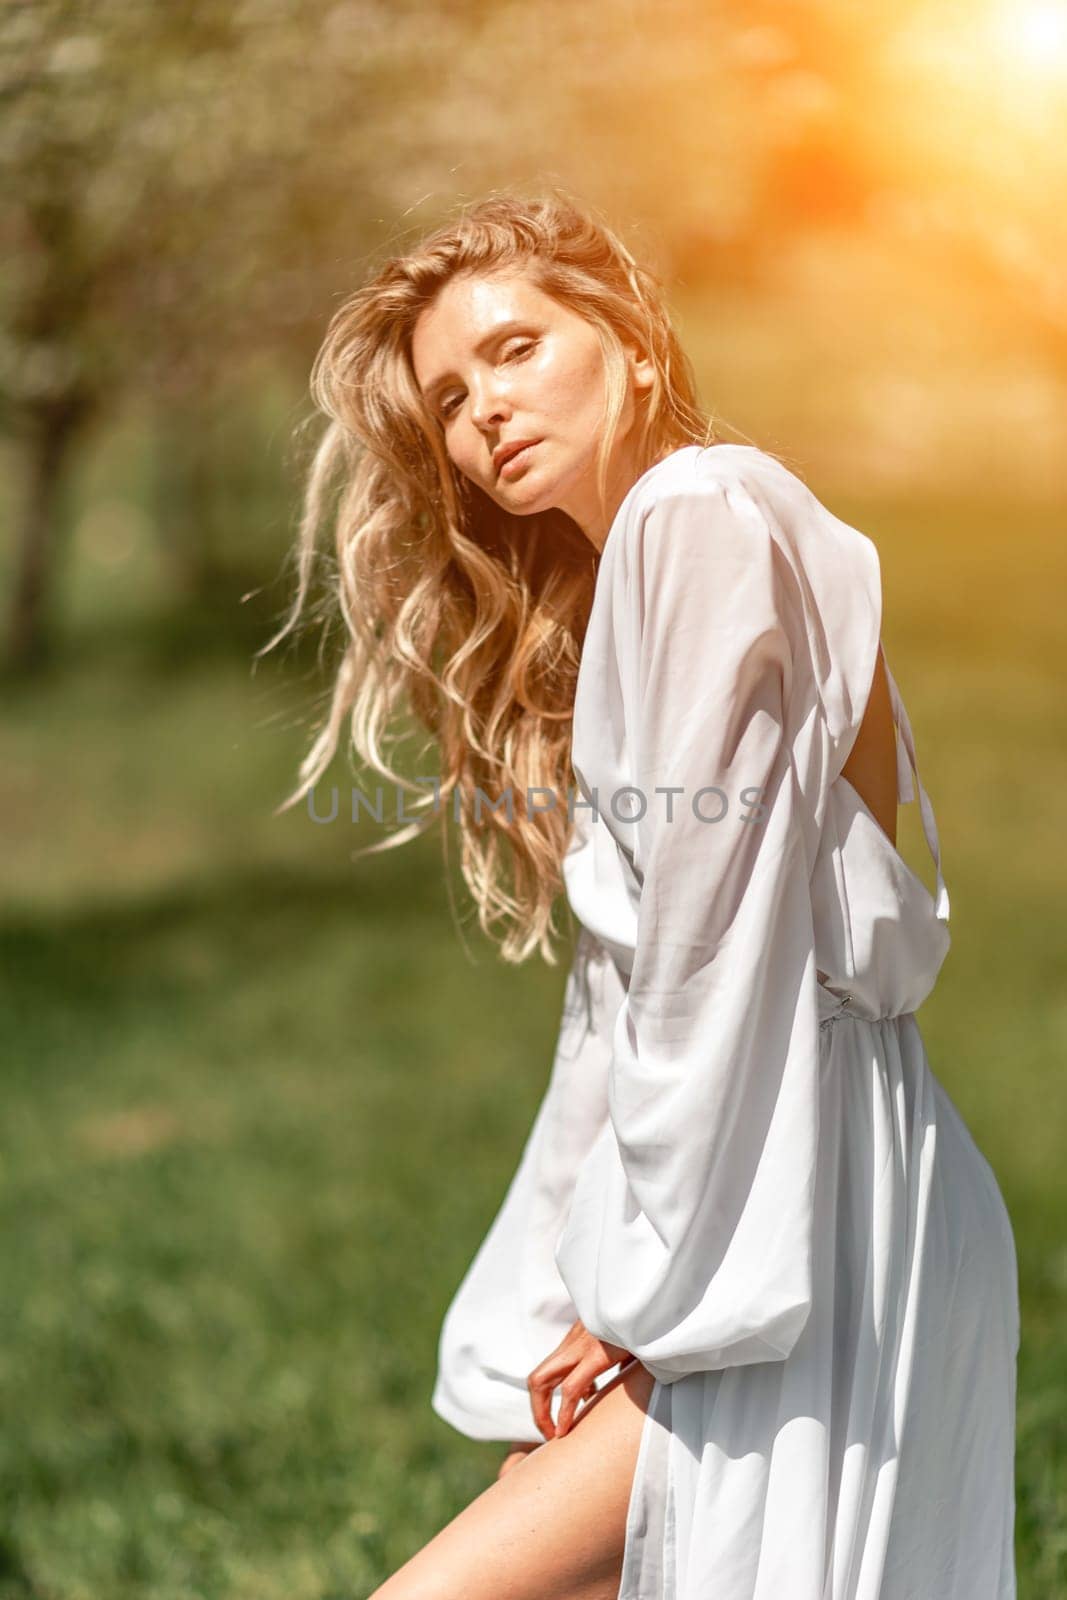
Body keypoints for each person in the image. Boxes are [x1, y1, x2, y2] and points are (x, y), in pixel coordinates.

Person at [259, 189, 1020, 1600]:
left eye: (517, 349)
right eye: (447, 395)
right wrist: (566, 1288)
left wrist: (644, 1303)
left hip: (795, 1215)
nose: (481, 409)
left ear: (633, 342)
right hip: (807, 1186)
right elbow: (630, 1003)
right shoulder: (671, 551)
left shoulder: (697, 514)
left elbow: (708, 969)